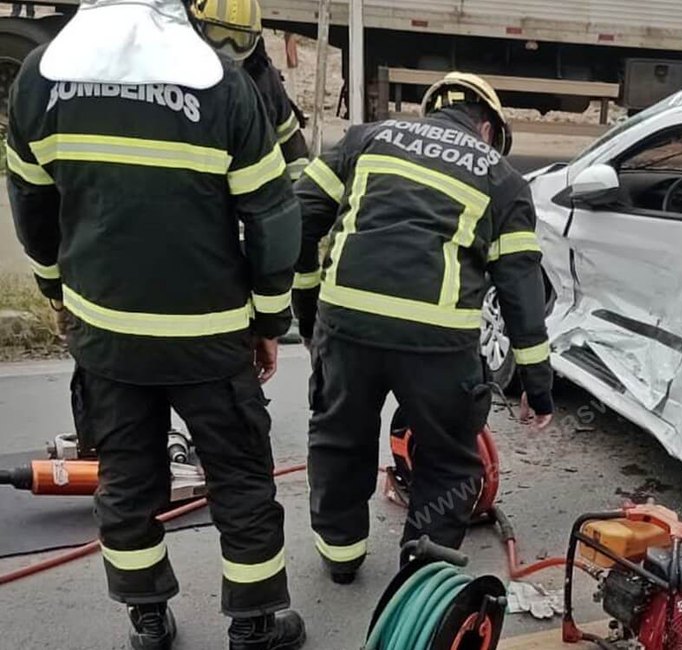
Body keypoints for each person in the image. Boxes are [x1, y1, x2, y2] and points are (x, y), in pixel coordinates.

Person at [6, 1, 305, 648]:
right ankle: (255, 625)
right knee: (240, 479)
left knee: (125, 479)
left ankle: (147, 619)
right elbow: (274, 218)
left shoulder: (38, 78)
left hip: (105, 335)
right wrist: (268, 318)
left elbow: (31, 205)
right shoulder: (220, 83)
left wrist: (57, 291)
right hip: (209, 336)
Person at [293, 72, 555, 582]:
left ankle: (341, 557)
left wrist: (308, 314)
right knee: (448, 460)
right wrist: (537, 387)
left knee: (339, 439)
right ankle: (420, 576)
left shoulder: (364, 139)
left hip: (348, 323)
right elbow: (521, 283)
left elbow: (299, 218)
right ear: (487, 128)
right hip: (437, 342)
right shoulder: (501, 177)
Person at [190, 0, 311, 180]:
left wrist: (298, 199)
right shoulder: (178, 76)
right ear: (199, 28)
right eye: (218, 34)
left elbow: (294, 153)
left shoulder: (265, 81)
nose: (228, 47)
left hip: (253, 199)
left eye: (240, 39)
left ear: (254, 39)